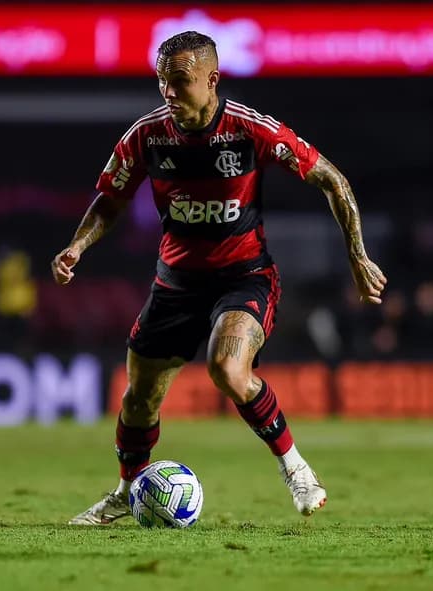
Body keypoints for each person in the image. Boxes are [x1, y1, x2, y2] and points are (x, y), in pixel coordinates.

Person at [53, 31, 387, 525]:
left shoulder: (250, 130)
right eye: (162, 82)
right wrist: (78, 244)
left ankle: (296, 469)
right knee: (139, 396)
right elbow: (110, 199)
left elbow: (331, 180)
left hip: (244, 277)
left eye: (181, 82)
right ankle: (127, 491)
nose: (168, 92)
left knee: (227, 369)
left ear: (211, 80)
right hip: (174, 284)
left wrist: (357, 257)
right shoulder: (147, 135)